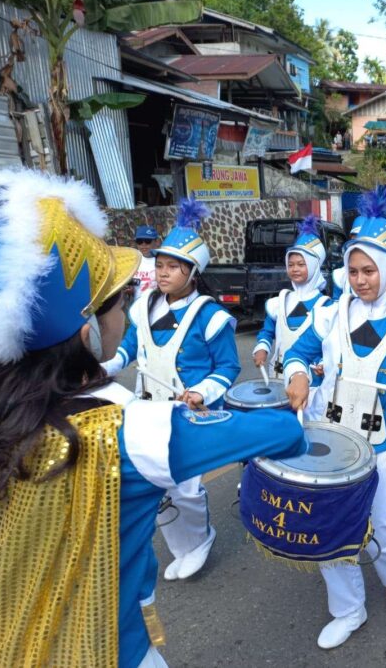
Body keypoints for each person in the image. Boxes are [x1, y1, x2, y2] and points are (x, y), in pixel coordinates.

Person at [0, 169, 306, 668]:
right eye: (116, 300)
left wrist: (202, 391)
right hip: (105, 646)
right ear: (86, 334)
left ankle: (197, 539)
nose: (131, 301)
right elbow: (280, 431)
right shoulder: (128, 433)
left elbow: (221, 366)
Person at [283, 185, 386, 650]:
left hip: (385, 444)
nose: (360, 280)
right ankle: (348, 609)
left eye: (369, 270)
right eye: (352, 270)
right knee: (332, 525)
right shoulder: (329, 314)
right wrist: (296, 376)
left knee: (383, 523)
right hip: (332, 439)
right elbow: (299, 352)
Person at [103, 198, 241, 582]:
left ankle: (200, 539)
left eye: (172, 267)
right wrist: (106, 367)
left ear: (192, 272)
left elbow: (229, 366)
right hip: (146, 411)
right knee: (154, 484)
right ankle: (182, 547)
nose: (162, 273)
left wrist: (200, 392)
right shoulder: (144, 306)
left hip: (185, 414)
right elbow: (131, 347)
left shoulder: (211, 316)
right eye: (159, 265)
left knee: (185, 486)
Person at [253, 214, 331, 418]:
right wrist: (262, 348)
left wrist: (324, 363)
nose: (295, 269)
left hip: (310, 382)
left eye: (301, 264)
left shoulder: (327, 307)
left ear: (314, 266)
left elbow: (330, 345)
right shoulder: (279, 302)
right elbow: (267, 331)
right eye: (291, 264)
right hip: (277, 376)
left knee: (307, 427)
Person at [133, 225, 160, 298]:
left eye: (147, 241)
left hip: (159, 305)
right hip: (137, 306)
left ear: (157, 241)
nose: (143, 245)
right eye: (139, 241)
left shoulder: (163, 260)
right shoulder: (133, 261)